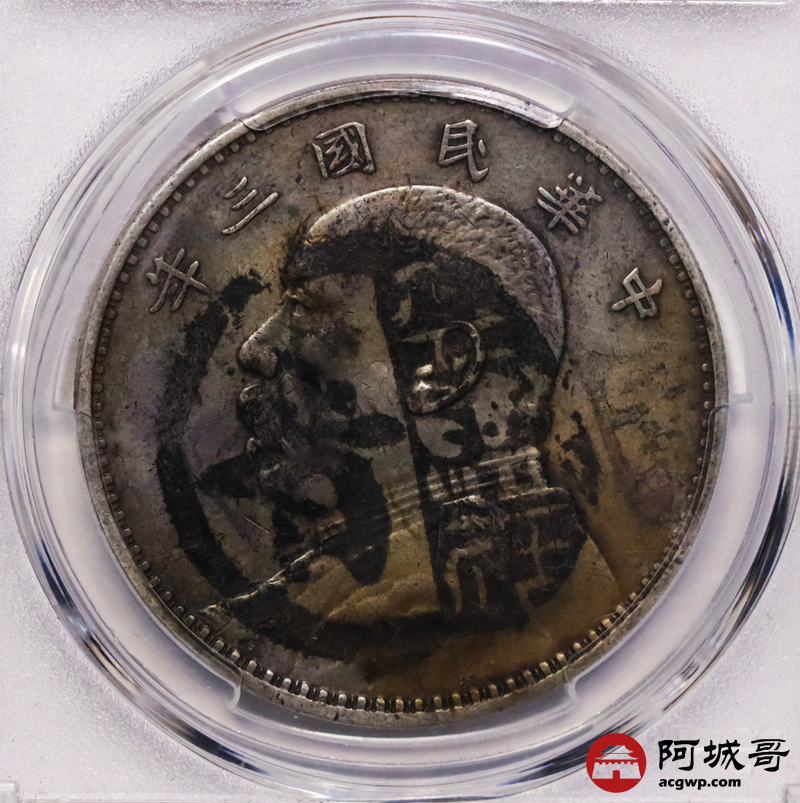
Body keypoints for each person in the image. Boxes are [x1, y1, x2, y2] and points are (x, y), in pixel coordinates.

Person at [208, 186, 617, 661]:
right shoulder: (572, 586)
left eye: (306, 307)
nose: (254, 349)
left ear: (444, 368)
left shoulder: (364, 614)